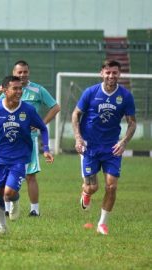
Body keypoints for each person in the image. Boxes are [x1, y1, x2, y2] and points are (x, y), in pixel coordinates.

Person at [0, 75, 54, 236]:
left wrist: (46, 149)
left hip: (20, 157)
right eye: (15, 88)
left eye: (20, 88)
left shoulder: (28, 110)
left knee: (8, 193)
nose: (19, 91)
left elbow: (43, 128)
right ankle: (2, 226)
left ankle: (15, 199)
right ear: (4, 90)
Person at [71, 59, 136, 235]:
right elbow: (76, 114)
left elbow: (132, 123)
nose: (111, 76)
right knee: (92, 187)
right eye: (108, 72)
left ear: (119, 74)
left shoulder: (125, 96)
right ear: (102, 73)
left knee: (112, 186)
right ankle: (86, 193)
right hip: (90, 147)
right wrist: (78, 138)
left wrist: (123, 142)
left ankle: (102, 223)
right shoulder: (90, 92)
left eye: (114, 72)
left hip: (112, 148)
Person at [0, 60, 60, 217]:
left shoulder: (37, 89)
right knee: (5, 175)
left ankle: (34, 210)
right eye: (19, 72)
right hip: (7, 140)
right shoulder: (7, 89)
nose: (22, 75)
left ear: (29, 72)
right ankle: (7, 208)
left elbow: (55, 107)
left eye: (25, 72)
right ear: (14, 73)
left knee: (30, 175)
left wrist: (41, 123)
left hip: (29, 139)